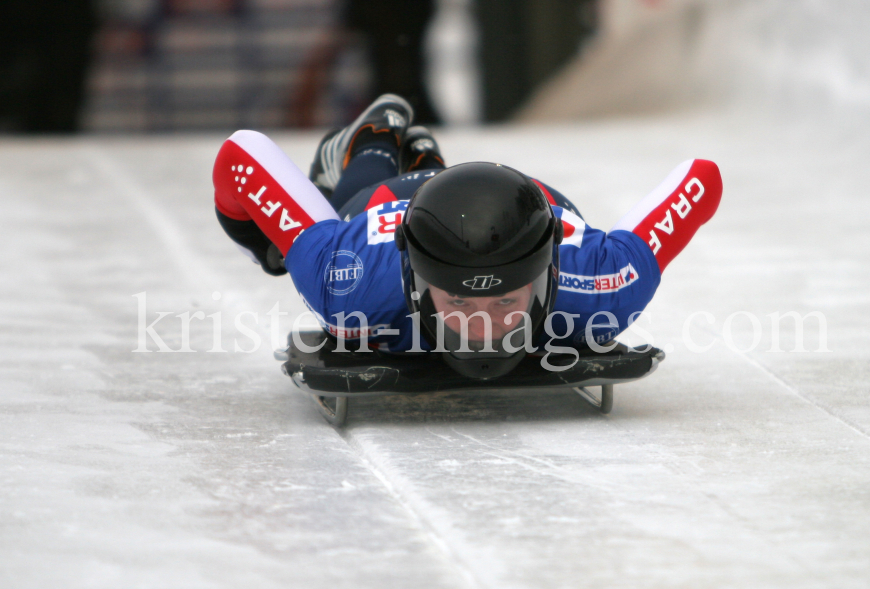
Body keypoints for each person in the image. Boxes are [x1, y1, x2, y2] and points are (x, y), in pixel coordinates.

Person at [213, 94, 723, 378]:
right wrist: (268, 250)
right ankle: (370, 141)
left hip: (519, 197)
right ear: (417, 284)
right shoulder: (350, 278)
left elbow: (704, 178)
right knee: (355, 203)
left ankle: (412, 155)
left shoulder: (603, 281)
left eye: (504, 302)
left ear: (546, 282)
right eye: (459, 301)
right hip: (388, 205)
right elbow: (238, 157)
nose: (483, 330)